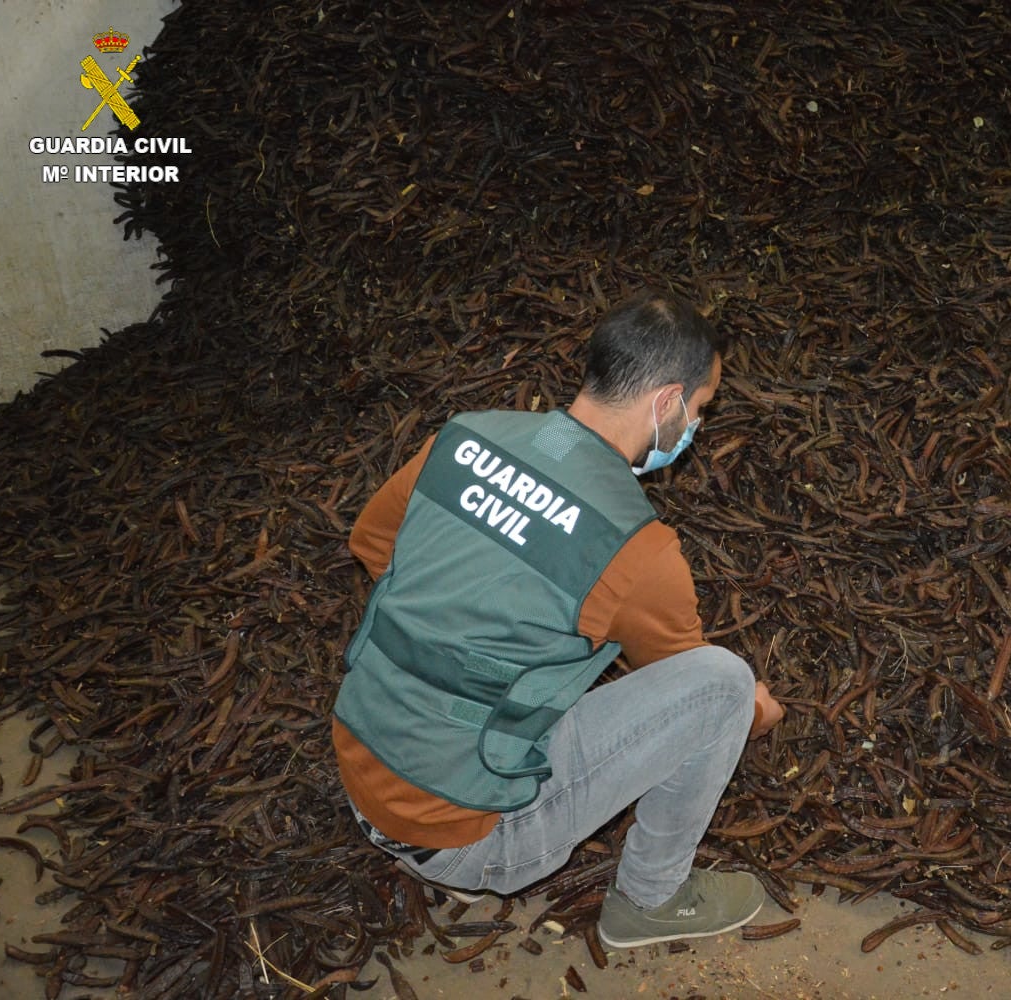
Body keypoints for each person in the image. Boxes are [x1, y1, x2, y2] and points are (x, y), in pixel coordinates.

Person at [331, 288, 785, 949]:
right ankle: (651, 900)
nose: (695, 428)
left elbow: (373, 543)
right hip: (470, 835)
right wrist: (754, 712)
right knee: (723, 682)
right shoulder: (638, 550)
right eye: (700, 409)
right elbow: (685, 694)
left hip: (360, 770)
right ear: (667, 403)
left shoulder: (463, 438)